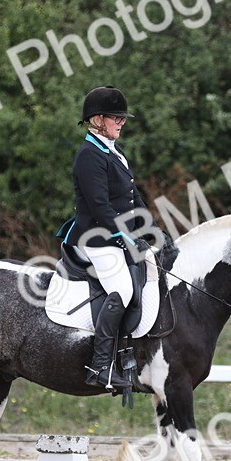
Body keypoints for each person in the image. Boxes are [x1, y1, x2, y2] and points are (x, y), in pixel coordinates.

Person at [66, 85, 156, 389]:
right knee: (123, 289)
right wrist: (124, 237)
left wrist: (151, 230)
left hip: (114, 235)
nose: (122, 123)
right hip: (95, 238)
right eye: (116, 118)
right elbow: (100, 206)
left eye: (123, 118)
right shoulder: (89, 155)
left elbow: (133, 198)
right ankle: (100, 366)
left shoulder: (114, 153)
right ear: (98, 119)